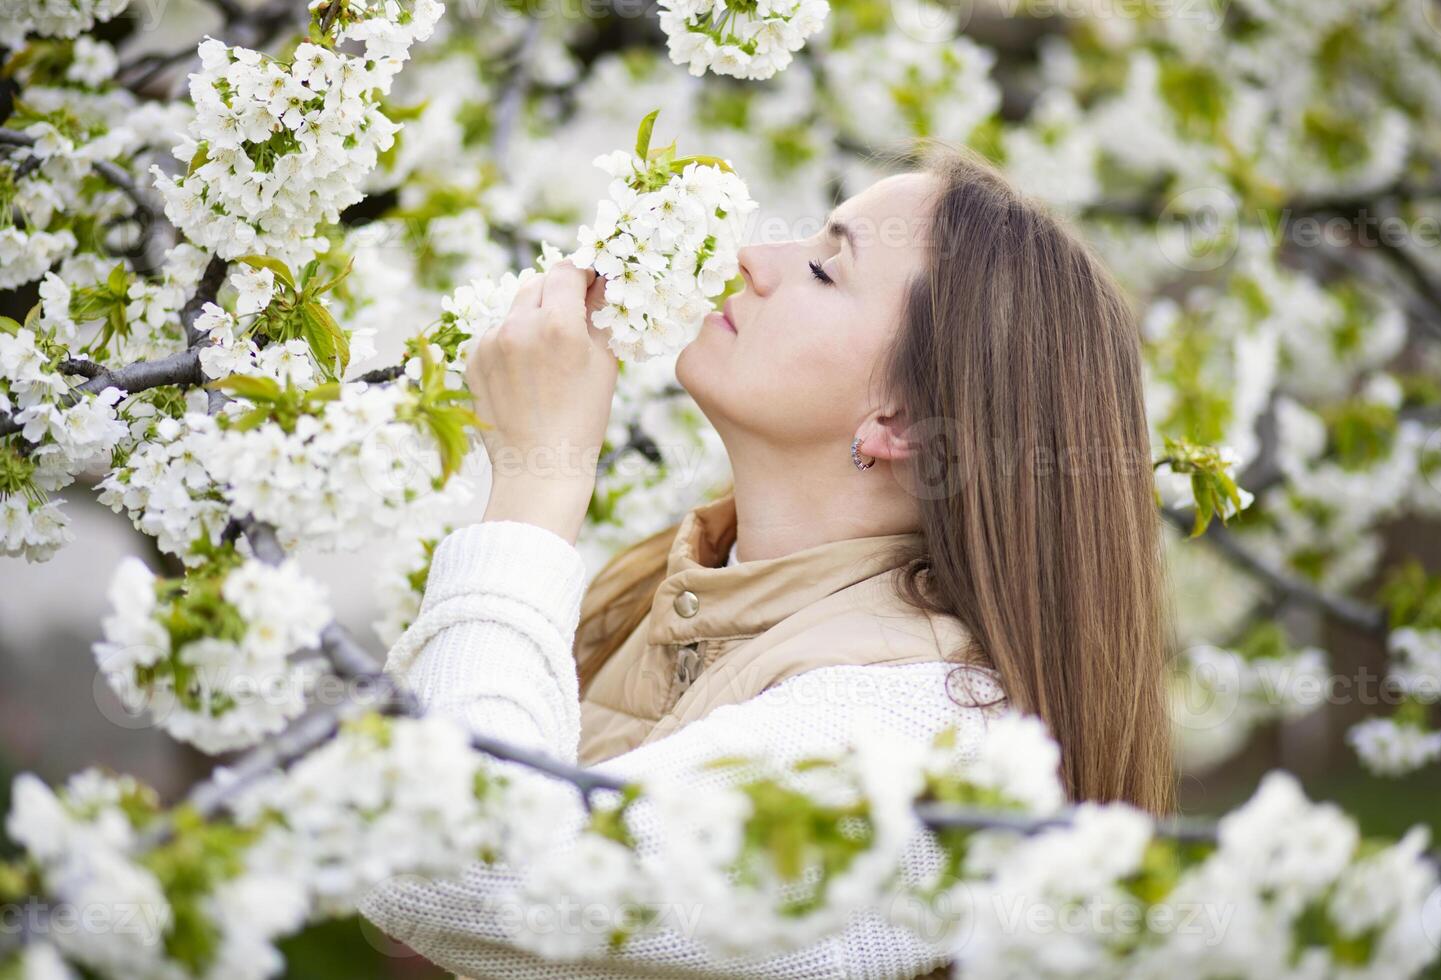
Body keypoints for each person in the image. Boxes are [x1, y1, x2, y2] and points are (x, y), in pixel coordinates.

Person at [358, 138, 1175, 978]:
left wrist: (539, 486)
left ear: (899, 423)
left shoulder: (921, 752)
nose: (753, 256)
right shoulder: (662, 589)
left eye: (826, 268)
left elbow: (449, 865)